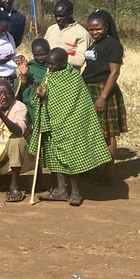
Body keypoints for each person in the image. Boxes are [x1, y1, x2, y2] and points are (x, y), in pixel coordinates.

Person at [33, 48, 112, 206]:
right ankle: (61, 191)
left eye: (53, 64)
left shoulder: (74, 77)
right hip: (54, 125)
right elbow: (40, 100)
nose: (50, 67)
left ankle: (76, 192)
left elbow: (81, 103)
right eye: (48, 64)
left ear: (64, 63)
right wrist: (40, 96)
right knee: (56, 158)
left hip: (72, 125)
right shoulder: (49, 77)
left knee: (72, 158)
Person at [83, 8, 127, 158]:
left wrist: (102, 98)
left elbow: (114, 73)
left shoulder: (113, 45)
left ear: (106, 26)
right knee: (93, 130)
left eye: (98, 28)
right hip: (89, 88)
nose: (95, 32)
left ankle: (107, 171)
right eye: (91, 29)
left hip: (103, 88)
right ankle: (95, 167)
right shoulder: (95, 44)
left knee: (107, 132)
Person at [15, 39, 51, 125]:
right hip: (33, 106)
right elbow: (18, 90)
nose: (40, 58)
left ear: (49, 52)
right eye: (36, 55)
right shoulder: (29, 67)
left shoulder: (55, 65)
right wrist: (24, 75)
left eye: (43, 54)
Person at [44, 0, 88, 69]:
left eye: (61, 16)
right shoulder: (51, 29)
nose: (58, 19)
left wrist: (58, 59)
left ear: (71, 14)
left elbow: (80, 60)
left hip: (69, 75)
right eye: (56, 16)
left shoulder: (81, 33)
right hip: (49, 72)